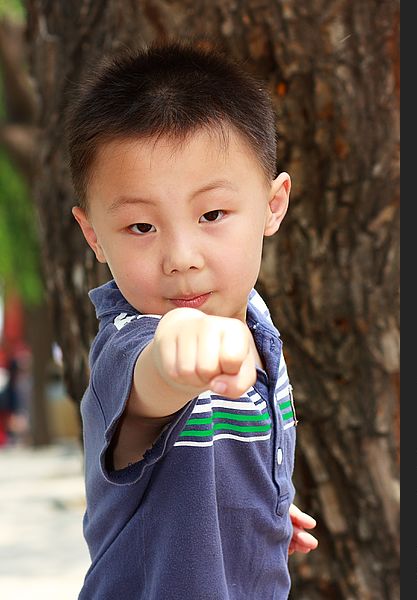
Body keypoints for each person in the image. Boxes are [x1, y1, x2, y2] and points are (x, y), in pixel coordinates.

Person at [68, 41, 317, 599]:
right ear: (93, 235)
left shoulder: (255, 319)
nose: (181, 255)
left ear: (273, 204)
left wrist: (258, 505)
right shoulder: (130, 346)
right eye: (140, 227)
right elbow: (153, 385)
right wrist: (175, 355)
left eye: (211, 215)